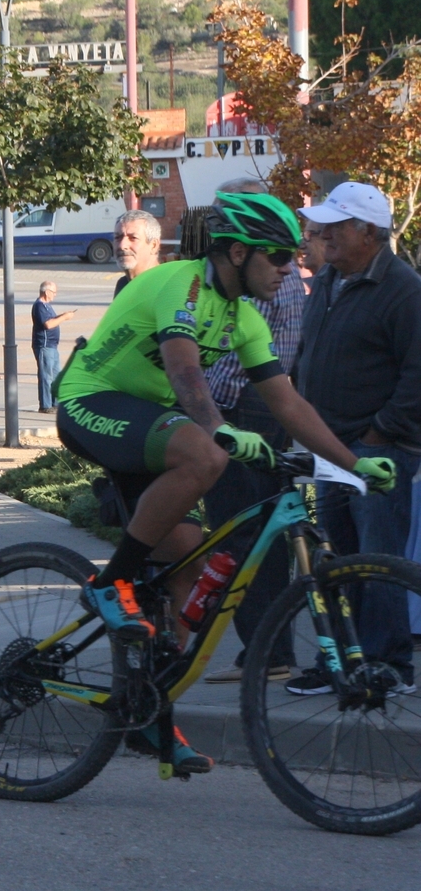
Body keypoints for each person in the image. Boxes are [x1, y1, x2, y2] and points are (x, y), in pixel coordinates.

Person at [53, 192, 392, 773]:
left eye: (294, 257)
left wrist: (351, 462)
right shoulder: (182, 284)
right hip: (92, 401)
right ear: (238, 253)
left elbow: (288, 404)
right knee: (204, 455)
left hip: (147, 422)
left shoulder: (243, 317)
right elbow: (184, 368)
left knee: (186, 563)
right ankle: (111, 585)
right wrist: (218, 429)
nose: (290, 267)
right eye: (278, 256)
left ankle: (148, 714)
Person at [287, 182, 421, 695]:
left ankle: (388, 665)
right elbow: (309, 351)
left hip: (378, 451)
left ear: (368, 232)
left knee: (377, 559)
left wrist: (379, 431)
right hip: (331, 447)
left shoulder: (404, 290)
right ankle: (341, 661)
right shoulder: (328, 279)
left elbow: (417, 376)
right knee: (336, 558)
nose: (322, 234)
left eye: (335, 226)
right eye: (321, 226)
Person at [197, 179, 305, 684]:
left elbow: (230, 356)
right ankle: (272, 648)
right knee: (266, 533)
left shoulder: (258, 277)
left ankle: (265, 651)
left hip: (243, 408)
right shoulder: (287, 270)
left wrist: (204, 408)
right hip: (269, 408)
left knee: (240, 533)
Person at [31, 281, 75, 411]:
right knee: (46, 376)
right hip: (44, 345)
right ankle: (45, 405)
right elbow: (48, 324)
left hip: (52, 345)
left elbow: (52, 319)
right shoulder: (39, 306)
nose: (55, 295)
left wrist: (62, 315)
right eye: (53, 292)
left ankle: (55, 403)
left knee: (56, 375)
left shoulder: (47, 306)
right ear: (46, 292)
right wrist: (64, 317)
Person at [113, 209, 163, 297]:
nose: (122, 245)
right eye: (118, 238)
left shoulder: (168, 286)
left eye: (133, 238)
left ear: (154, 245)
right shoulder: (123, 284)